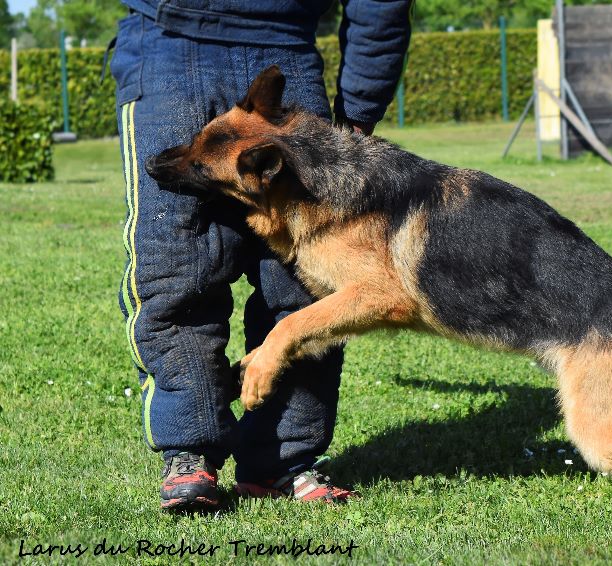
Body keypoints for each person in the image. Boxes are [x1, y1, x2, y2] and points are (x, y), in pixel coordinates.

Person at [109, 0, 412, 511]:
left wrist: (360, 106)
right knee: (175, 271)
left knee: (306, 286)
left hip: (286, 45)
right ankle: (190, 451)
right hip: (169, 40)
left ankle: (281, 460)